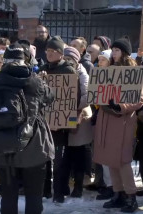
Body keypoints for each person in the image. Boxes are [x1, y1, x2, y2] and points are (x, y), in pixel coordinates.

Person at [0, 44, 54, 214]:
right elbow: (50, 98)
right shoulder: (35, 82)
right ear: (26, 60)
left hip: (2, 144)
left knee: (8, 194)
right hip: (33, 144)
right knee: (34, 194)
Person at [93, 36, 141, 213]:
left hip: (122, 122)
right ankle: (118, 194)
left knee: (122, 161)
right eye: (112, 50)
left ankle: (131, 197)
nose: (113, 53)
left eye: (117, 50)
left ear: (125, 53)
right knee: (110, 160)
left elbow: (139, 100)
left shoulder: (132, 71)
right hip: (106, 119)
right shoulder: (107, 70)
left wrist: (119, 106)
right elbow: (98, 92)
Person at [38, 36, 77, 202]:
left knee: (60, 162)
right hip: (44, 123)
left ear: (61, 53)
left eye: (54, 51)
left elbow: (73, 98)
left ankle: (59, 193)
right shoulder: (42, 69)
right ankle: (45, 190)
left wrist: (62, 121)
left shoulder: (68, 70)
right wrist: (39, 79)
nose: (50, 54)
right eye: (48, 50)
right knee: (44, 159)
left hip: (61, 125)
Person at [60, 47, 92, 200]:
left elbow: (87, 96)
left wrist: (70, 106)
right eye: (65, 59)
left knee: (78, 153)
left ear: (76, 60)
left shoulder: (82, 73)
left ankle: (78, 187)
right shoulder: (61, 72)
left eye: (70, 59)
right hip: (63, 118)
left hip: (79, 118)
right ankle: (64, 186)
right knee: (66, 155)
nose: (67, 62)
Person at [93, 49, 114, 201]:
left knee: (111, 156)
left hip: (112, 121)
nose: (99, 62)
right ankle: (109, 186)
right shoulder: (97, 77)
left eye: (103, 60)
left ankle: (115, 187)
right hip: (100, 118)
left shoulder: (115, 78)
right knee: (103, 156)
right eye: (99, 59)